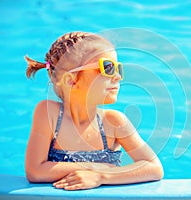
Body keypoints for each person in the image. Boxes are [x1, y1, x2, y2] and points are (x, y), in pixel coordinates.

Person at [24, 31, 163, 190]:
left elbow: (154, 168)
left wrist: (101, 176)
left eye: (118, 68)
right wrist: (95, 167)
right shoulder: (49, 114)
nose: (117, 76)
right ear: (71, 80)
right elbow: (35, 171)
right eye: (108, 67)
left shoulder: (114, 122)